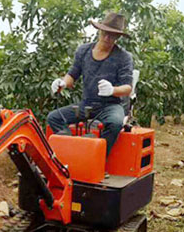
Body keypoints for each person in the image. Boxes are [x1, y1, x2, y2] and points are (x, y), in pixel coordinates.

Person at [48, 12, 133, 155]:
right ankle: (74, 151)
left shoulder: (124, 57)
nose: (107, 38)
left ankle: (99, 158)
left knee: (115, 123)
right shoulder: (84, 50)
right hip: (86, 104)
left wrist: (112, 90)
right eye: (105, 33)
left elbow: (127, 88)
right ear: (99, 30)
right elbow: (72, 74)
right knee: (54, 118)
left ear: (118, 37)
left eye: (112, 35)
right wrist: (62, 83)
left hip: (110, 106)